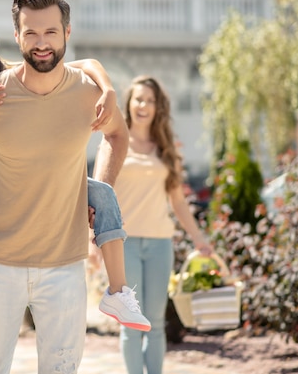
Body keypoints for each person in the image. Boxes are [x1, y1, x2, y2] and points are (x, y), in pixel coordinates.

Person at [0, 0, 129, 373]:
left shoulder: (85, 90)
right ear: (17, 36)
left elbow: (116, 132)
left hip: (64, 260)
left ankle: (119, 292)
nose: (41, 43)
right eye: (31, 33)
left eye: (51, 32)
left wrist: (96, 191)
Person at [89, 75, 214, 374]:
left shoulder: (166, 148)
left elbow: (178, 201)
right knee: (132, 323)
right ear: (129, 103)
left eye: (151, 100)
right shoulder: (114, 140)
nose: (144, 105)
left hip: (160, 243)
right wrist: (90, 241)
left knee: (156, 323)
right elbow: (96, 195)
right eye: (139, 99)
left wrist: (199, 238)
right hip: (122, 244)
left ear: (158, 107)